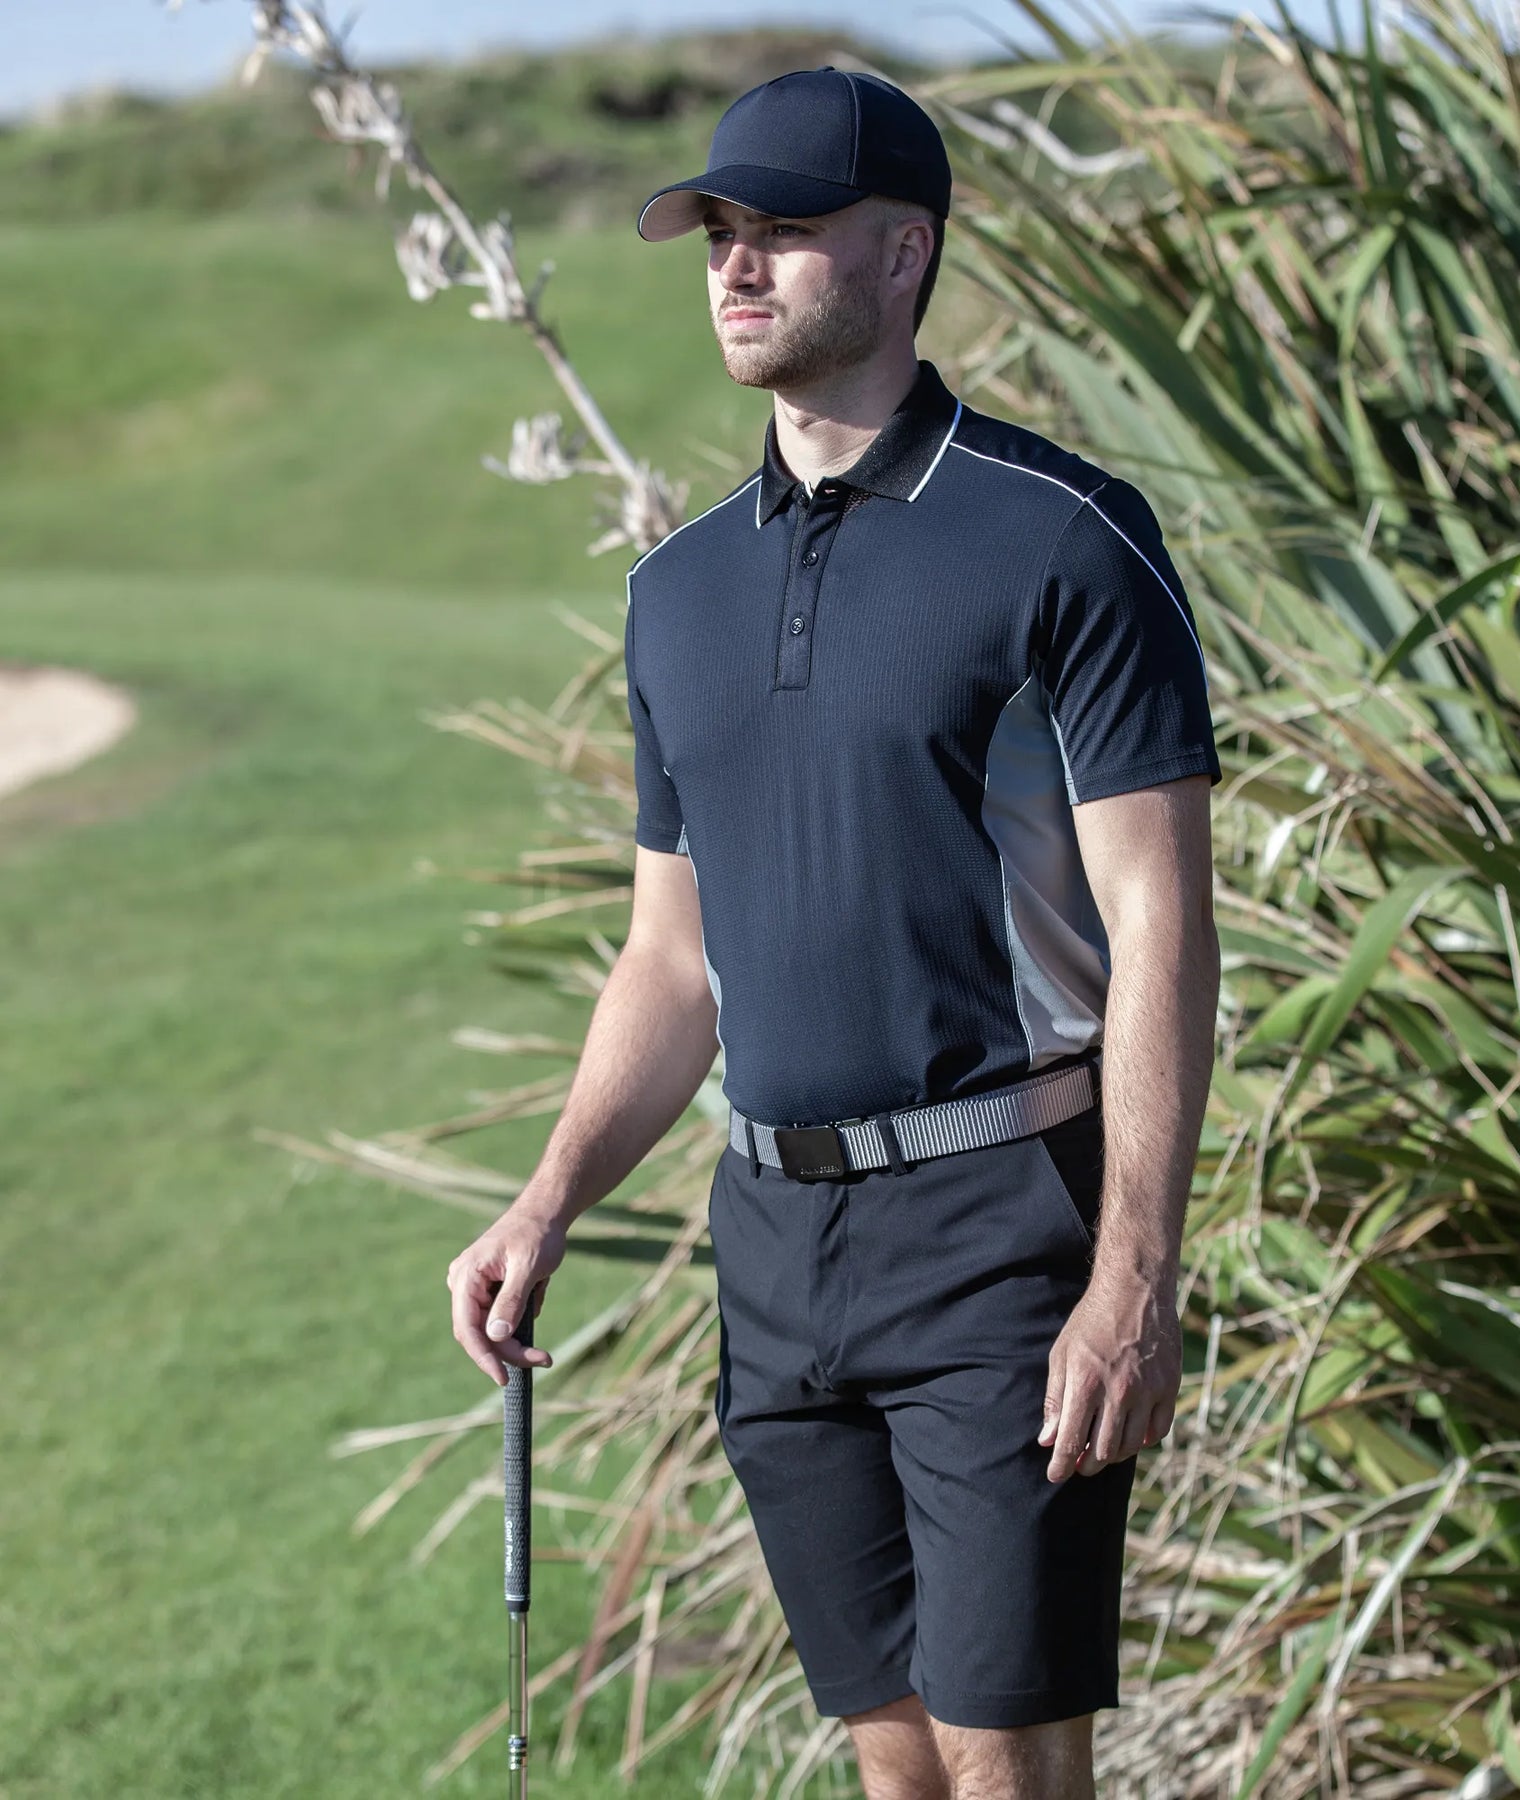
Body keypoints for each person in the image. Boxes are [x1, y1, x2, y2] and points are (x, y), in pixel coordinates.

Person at [446, 64, 1222, 1800]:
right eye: (720, 230)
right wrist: (547, 1200)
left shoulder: (1062, 540)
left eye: (783, 230)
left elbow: (1162, 921)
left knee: (1006, 1762)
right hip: (775, 1251)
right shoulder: (677, 591)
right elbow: (672, 960)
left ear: (903, 252)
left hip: (1005, 1232)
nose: (734, 264)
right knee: (898, 1767)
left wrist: (1135, 1275)